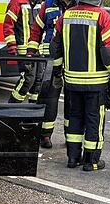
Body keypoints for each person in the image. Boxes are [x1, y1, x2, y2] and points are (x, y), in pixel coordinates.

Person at [50, 0, 110, 171]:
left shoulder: (66, 15)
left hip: (72, 82)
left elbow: (55, 48)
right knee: (94, 121)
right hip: (95, 83)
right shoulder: (102, 16)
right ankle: (91, 161)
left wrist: (57, 72)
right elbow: (108, 53)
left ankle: (72, 158)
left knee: (75, 118)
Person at [28, 0, 70, 148]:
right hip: (50, 59)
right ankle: (45, 135)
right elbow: (36, 30)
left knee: (73, 100)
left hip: (73, 61)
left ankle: (71, 137)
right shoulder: (48, 5)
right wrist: (31, 52)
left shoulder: (81, 6)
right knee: (48, 97)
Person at [5, 0, 40, 103]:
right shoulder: (17, 2)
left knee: (39, 81)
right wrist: (12, 45)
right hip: (24, 50)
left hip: (39, 50)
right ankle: (11, 108)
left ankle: (33, 114)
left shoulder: (41, 3)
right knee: (27, 80)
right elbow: (8, 24)